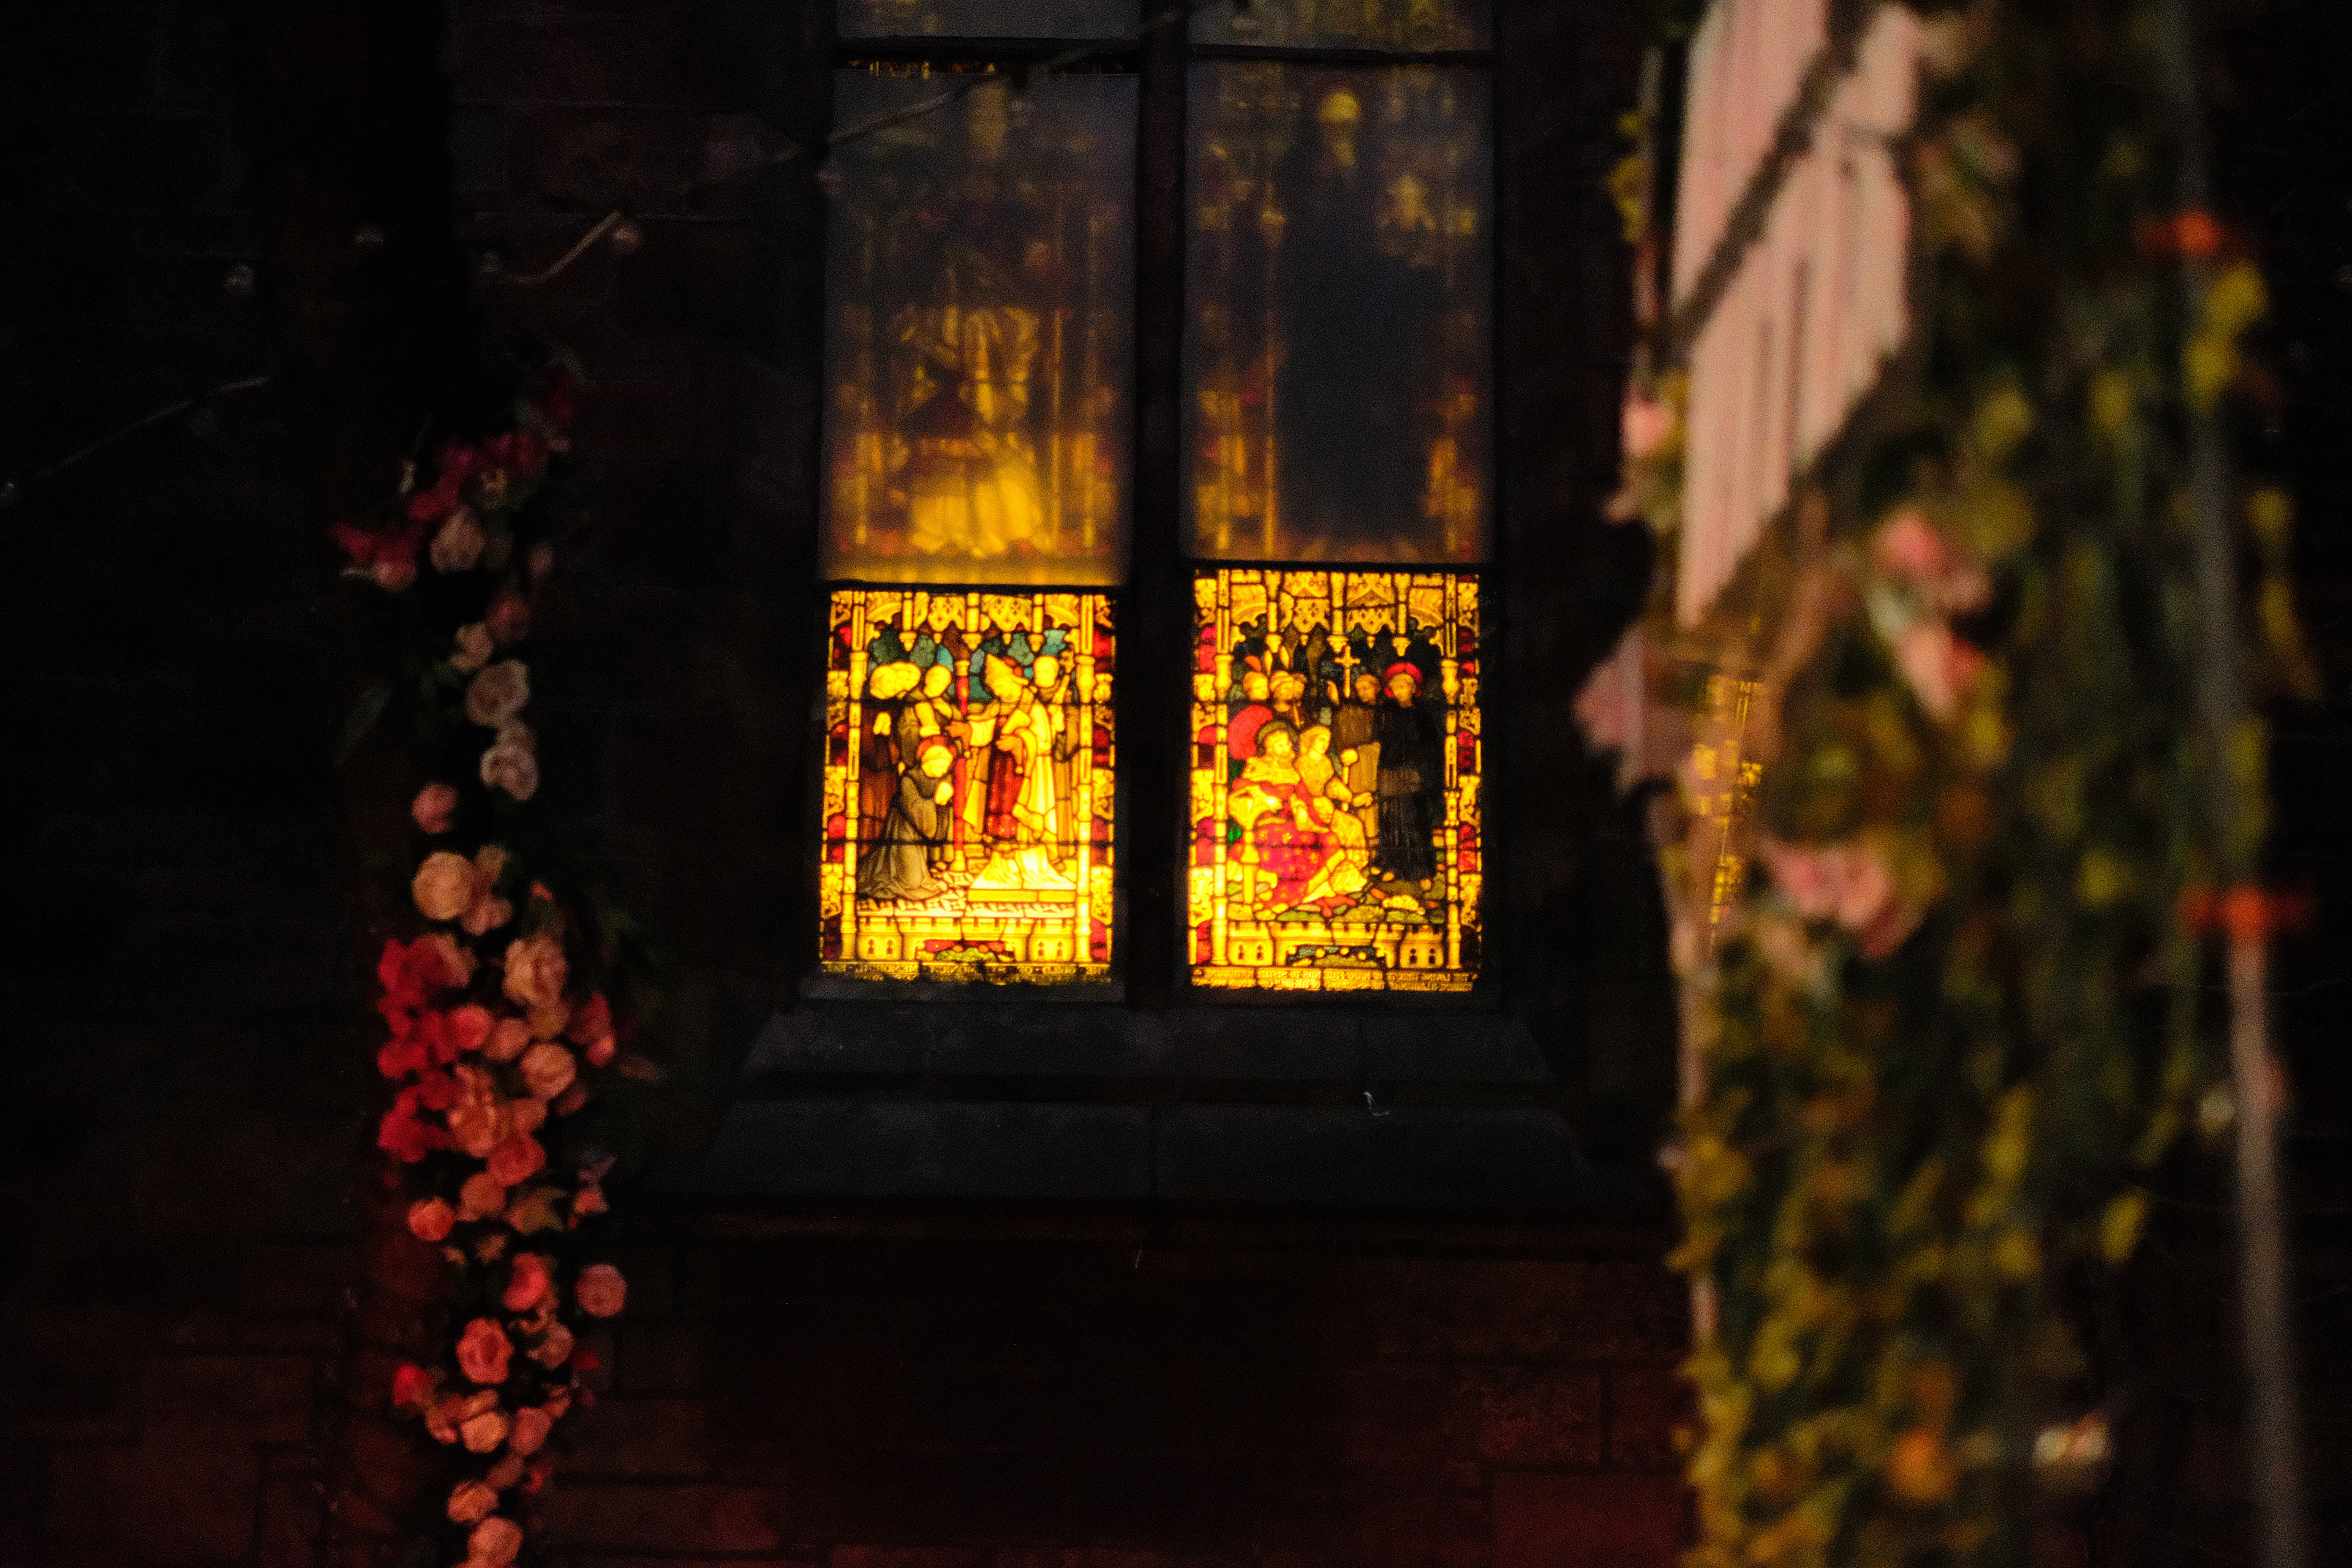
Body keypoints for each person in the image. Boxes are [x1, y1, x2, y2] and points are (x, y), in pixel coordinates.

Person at [858, 737, 957, 903]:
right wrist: (935, 802)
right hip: (902, 834)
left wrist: (943, 804)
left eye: (946, 767)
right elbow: (913, 808)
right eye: (941, 765)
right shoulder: (909, 780)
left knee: (915, 878)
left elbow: (941, 817)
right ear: (929, 762)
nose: (944, 770)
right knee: (910, 880)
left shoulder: (940, 781)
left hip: (919, 837)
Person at [1373, 661, 1442, 886]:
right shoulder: (1385, 711)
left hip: (1415, 772)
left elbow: (1432, 744)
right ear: (1391, 689)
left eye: (1406, 685)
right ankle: (1392, 865)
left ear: (1414, 688)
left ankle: (1422, 870)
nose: (1401, 690)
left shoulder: (1424, 713)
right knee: (1391, 819)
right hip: (1390, 770)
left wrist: (1426, 772)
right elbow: (1379, 739)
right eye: (1397, 686)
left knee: (1415, 819)